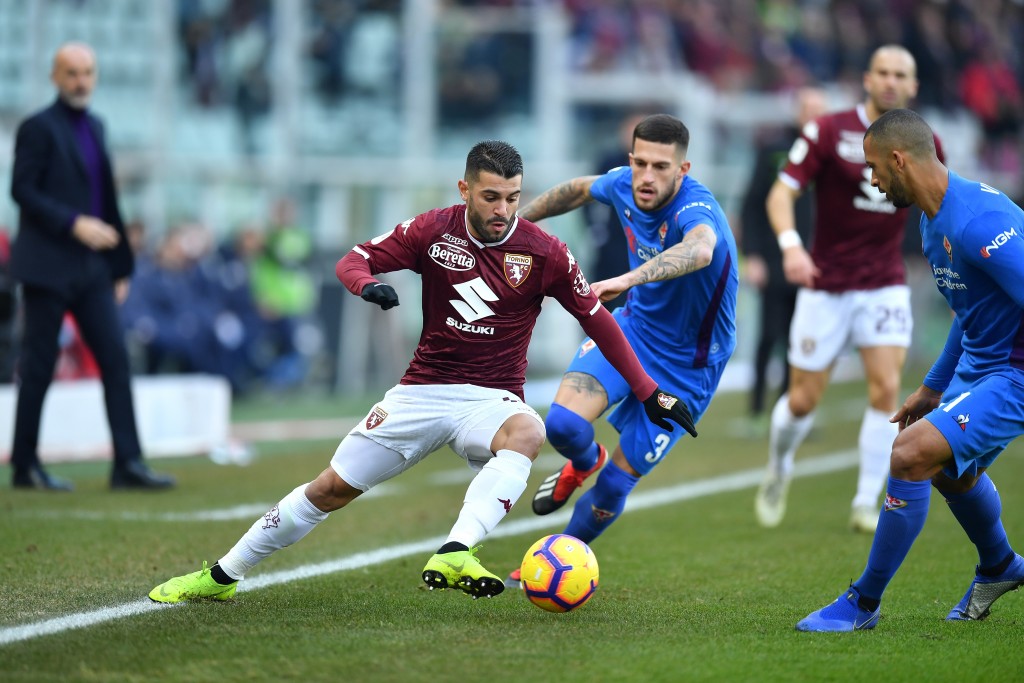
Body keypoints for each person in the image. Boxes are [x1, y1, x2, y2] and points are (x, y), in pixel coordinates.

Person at [148, 140, 696, 603]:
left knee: (529, 431)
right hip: (421, 391)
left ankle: (458, 551)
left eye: (512, 197)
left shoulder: (547, 252)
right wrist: (369, 285)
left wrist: (648, 393)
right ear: (464, 191)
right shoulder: (432, 232)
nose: (504, 209)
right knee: (330, 489)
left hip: (492, 398)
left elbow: (598, 319)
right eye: (491, 197)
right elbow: (353, 258)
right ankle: (220, 576)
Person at [797, 108, 1024, 632]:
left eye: (875, 169)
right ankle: (1000, 566)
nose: (873, 181)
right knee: (946, 468)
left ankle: (862, 604)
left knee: (908, 453)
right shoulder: (929, 224)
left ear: (899, 160)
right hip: (983, 365)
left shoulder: (978, 222)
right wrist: (932, 387)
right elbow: (969, 315)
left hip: (1014, 370)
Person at [502, 113, 737, 586]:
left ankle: (559, 561)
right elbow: (578, 189)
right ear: (630, 160)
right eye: (641, 164)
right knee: (562, 425)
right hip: (633, 330)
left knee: (615, 486)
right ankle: (586, 461)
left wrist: (628, 279)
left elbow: (701, 250)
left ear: (683, 170)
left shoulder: (696, 210)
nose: (647, 177)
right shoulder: (622, 185)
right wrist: (513, 225)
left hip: (689, 366)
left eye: (661, 167)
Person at [754, 45, 943, 533]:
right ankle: (778, 468)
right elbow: (782, 192)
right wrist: (792, 247)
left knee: (885, 391)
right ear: (866, 77)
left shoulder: (927, 143)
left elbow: (939, 207)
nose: (890, 81)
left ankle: (865, 502)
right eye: (882, 71)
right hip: (825, 284)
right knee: (802, 400)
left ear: (913, 86)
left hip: (884, 284)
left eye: (900, 73)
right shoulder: (828, 129)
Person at [7, 42, 174, 491]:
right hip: (46, 267)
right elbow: (21, 190)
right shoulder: (38, 128)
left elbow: (107, 202)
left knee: (116, 361)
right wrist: (73, 223)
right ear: (55, 77)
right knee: (39, 366)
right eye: (72, 73)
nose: (81, 81)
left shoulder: (96, 126)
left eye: (87, 72)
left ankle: (128, 464)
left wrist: (120, 266)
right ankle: (24, 467)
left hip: (91, 270)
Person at [740, 87, 826, 429]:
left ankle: (788, 409)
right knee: (769, 336)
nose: (814, 116)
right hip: (776, 260)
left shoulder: (832, 156)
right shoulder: (775, 151)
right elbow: (751, 206)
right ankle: (757, 410)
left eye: (820, 110)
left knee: (803, 340)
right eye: (809, 108)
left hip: (817, 264)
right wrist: (755, 257)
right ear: (796, 111)